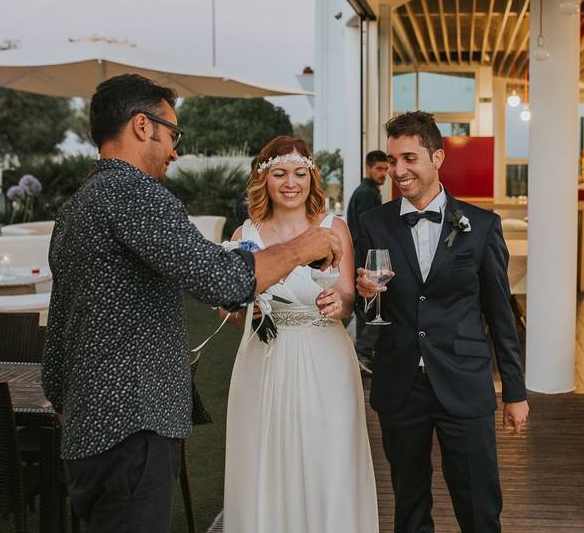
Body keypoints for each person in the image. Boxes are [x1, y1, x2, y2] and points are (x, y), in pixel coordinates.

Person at [42, 74, 341, 533]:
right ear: (143, 126)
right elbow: (222, 280)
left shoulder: (77, 205)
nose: (175, 150)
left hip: (87, 434)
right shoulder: (137, 193)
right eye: (173, 134)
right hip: (132, 428)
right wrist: (305, 246)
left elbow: (59, 326)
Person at [355, 111, 529, 533]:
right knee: (409, 506)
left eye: (409, 158)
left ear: (437, 157)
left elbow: (500, 314)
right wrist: (366, 298)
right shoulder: (372, 224)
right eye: (393, 161)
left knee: (479, 504)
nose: (398, 170)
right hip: (400, 384)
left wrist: (515, 391)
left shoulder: (481, 225)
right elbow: (370, 317)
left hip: (464, 382)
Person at [223, 135, 379, 533]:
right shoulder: (246, 236)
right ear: (264, 180)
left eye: (298, 173)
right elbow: (230, 307)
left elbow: (346, 297)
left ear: (311, 178)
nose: (290, 183)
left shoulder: (334, 228)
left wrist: (339, 303)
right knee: (266, 455)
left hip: (325, 359)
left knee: (326, 457)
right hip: (264, 362)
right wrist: (244, 307)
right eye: (279, 173)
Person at [346, 149, 389, 372]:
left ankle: (364, 356)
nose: (384, 173)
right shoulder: (367, 194)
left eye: (385, 168)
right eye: (379, 168)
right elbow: (369, 230)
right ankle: (362, 351)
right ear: (368, 168)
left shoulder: (366, 191)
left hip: (360, 256)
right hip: (366, 257)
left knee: (366, 308)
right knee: (377, 307)